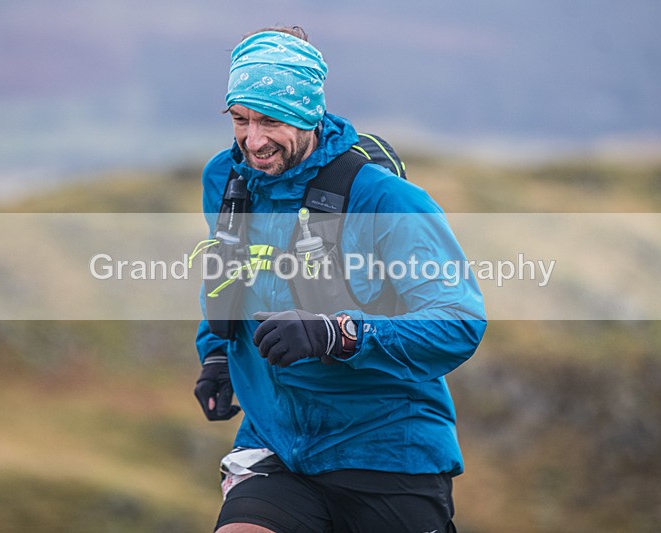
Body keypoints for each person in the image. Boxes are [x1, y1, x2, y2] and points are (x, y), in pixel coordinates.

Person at [193, 26, 486, 533]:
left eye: (271, 119)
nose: (253, 140)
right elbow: (230, 272)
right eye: (240, 119)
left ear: (309, 113)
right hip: (276, 443)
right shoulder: (226, 180)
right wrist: (217, 353)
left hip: (388, 450)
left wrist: (339, 333)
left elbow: (459, 322)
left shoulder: (385, 199)